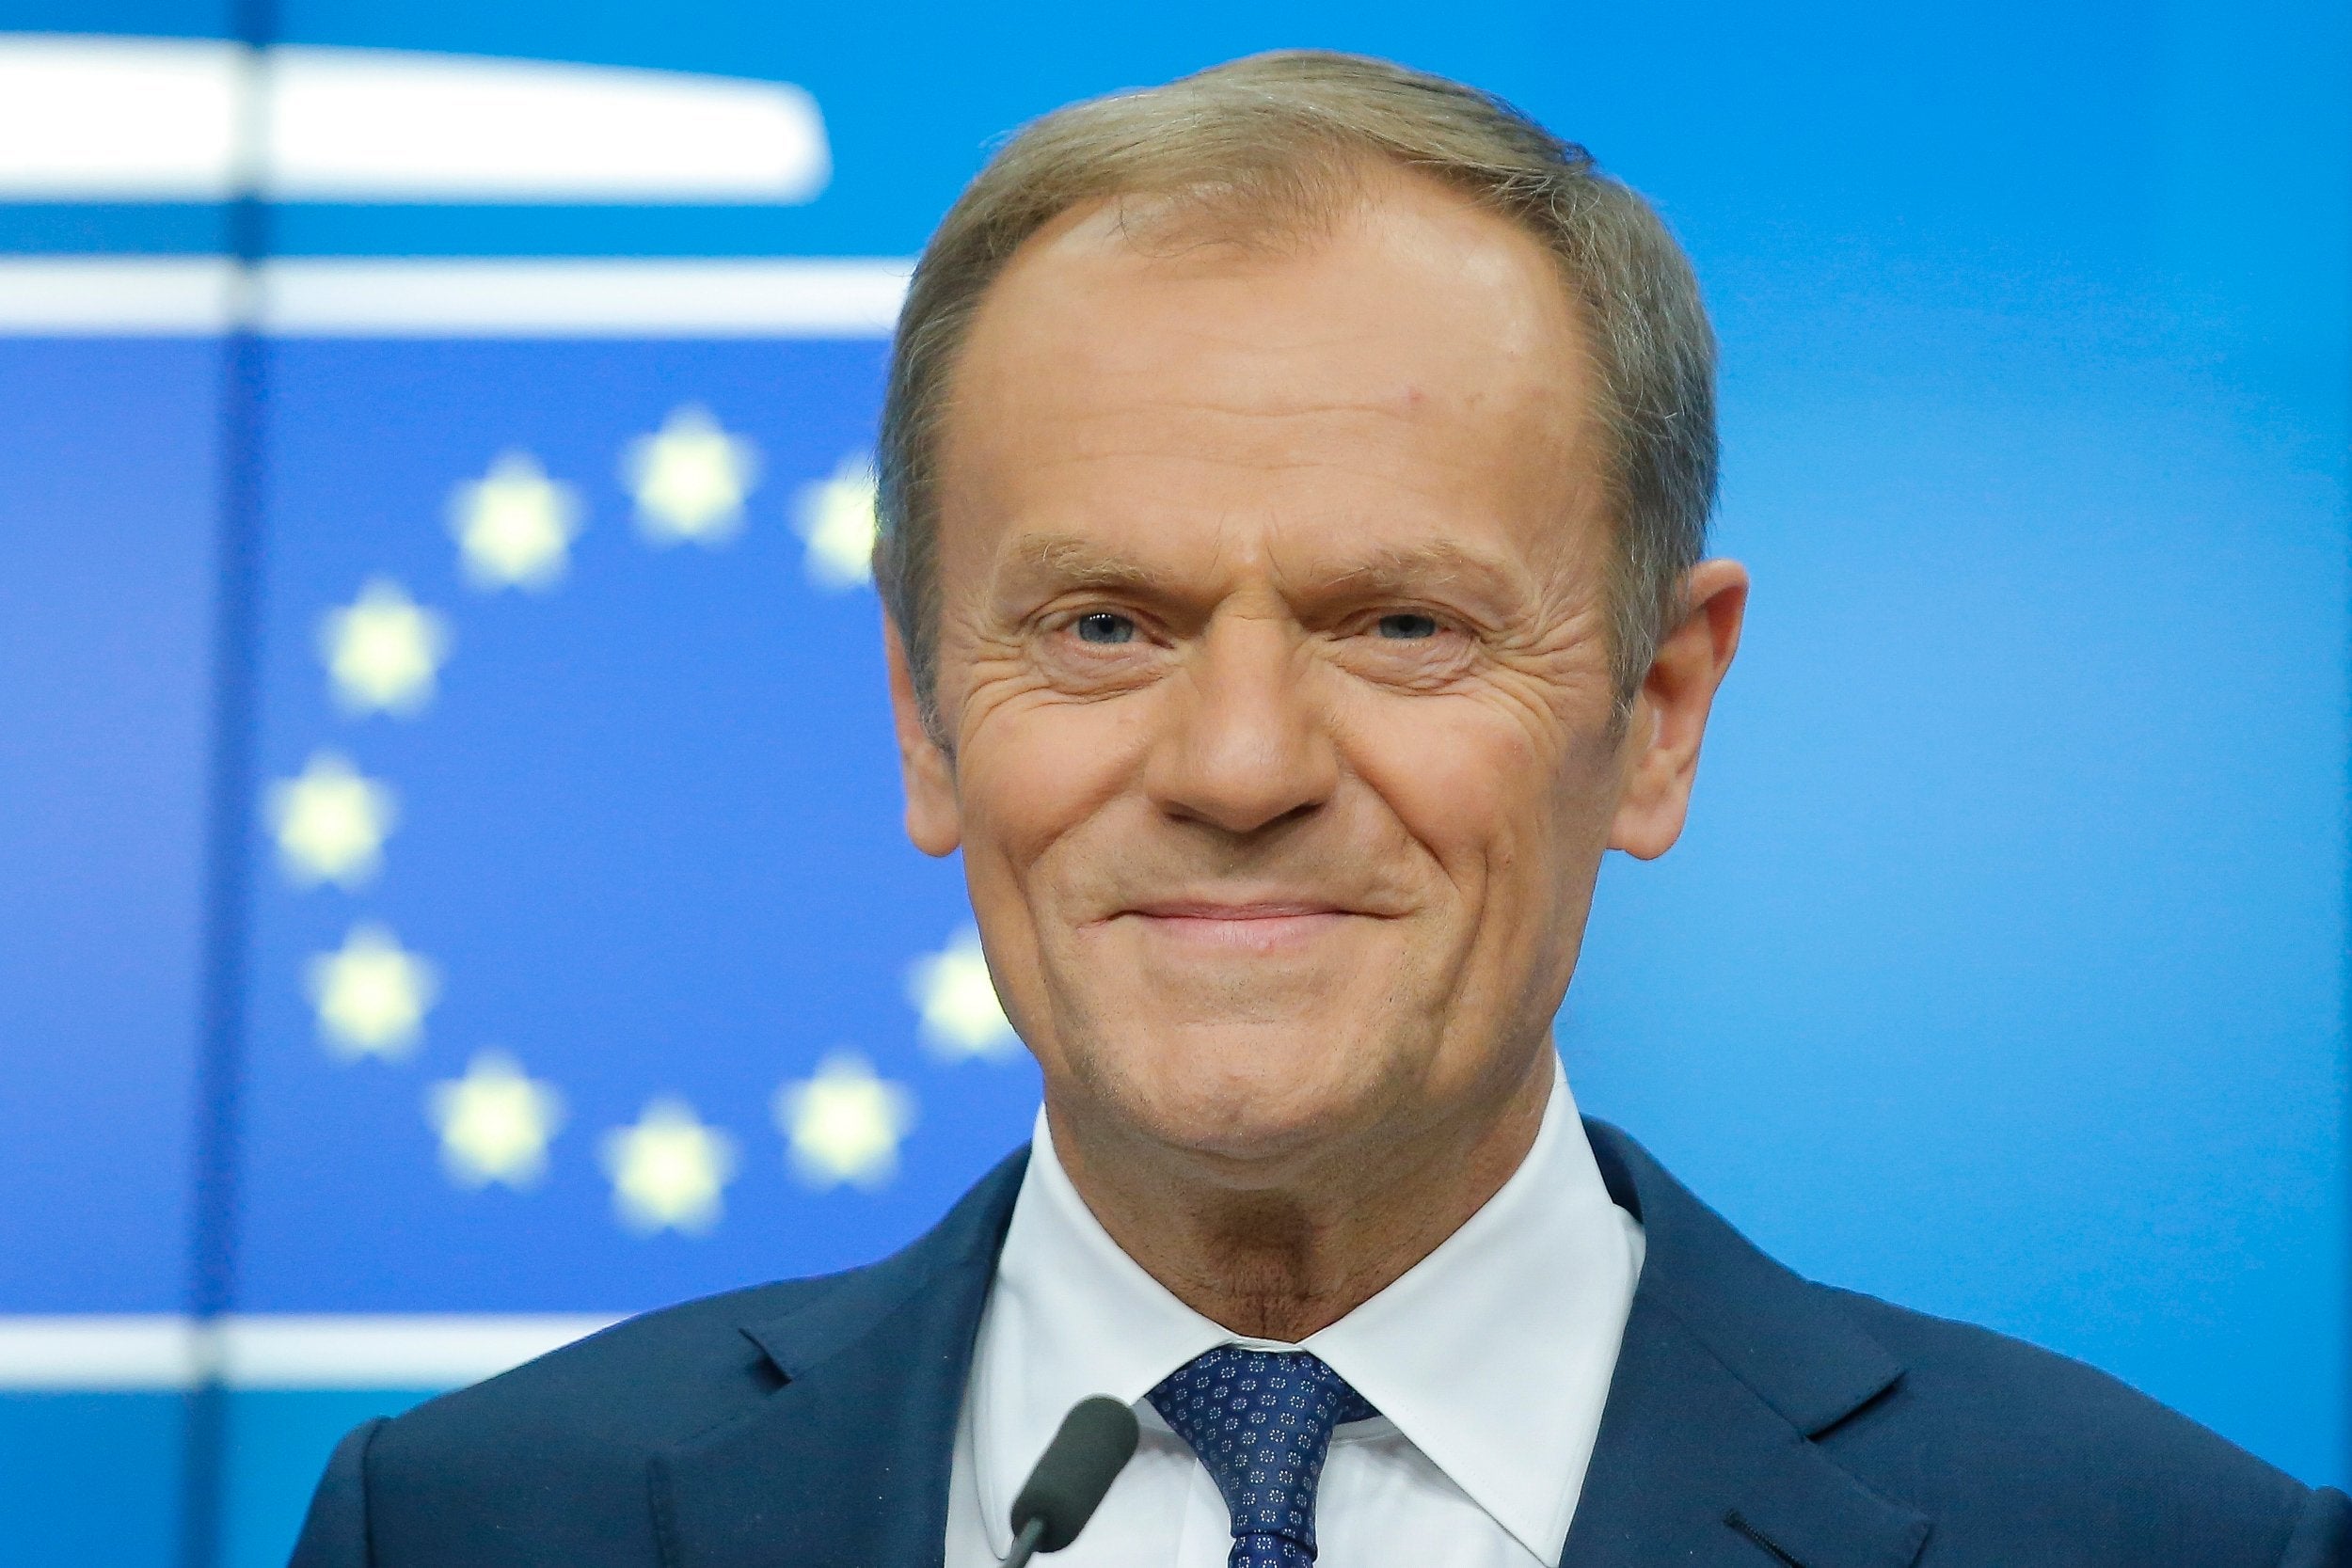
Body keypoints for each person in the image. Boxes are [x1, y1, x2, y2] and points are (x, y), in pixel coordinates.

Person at [290, 50, 2346, 1568]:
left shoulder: (2153, 1545)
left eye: (1397, 623)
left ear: (1653, 709)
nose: (1238, 767)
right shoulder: (475, 1524)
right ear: (923, 711)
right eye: (1100, 626)